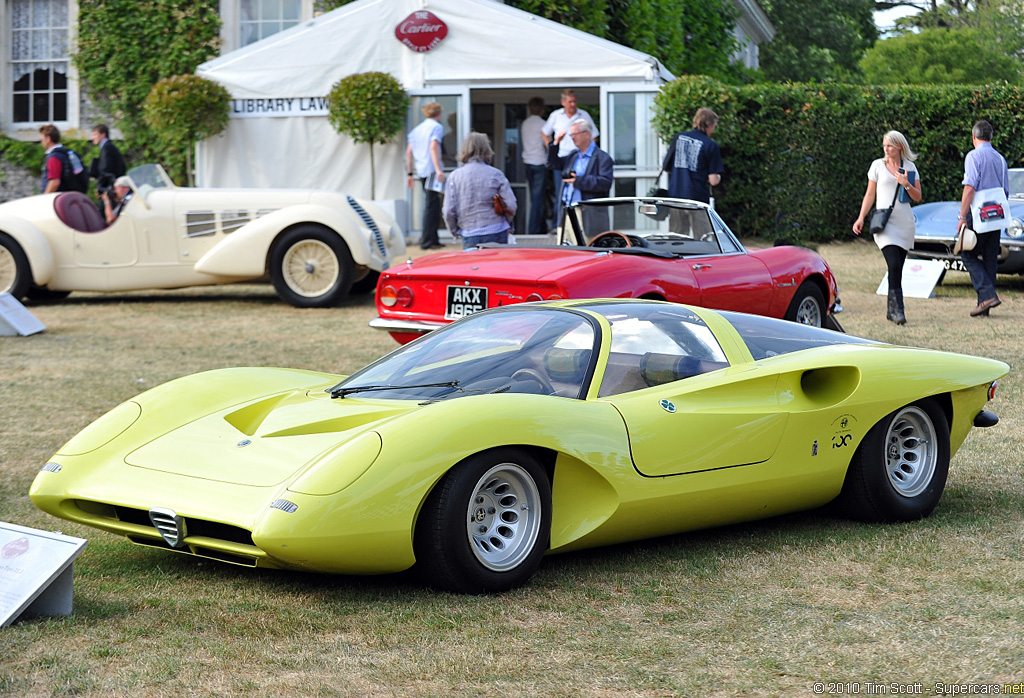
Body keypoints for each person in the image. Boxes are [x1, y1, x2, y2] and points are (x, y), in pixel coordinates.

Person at [852, 130, 922, 325]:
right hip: (885, 223)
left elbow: (917, 196)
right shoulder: (877, 166)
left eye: (890, 145)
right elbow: (869, 195)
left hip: (904, 223)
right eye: (884, 145)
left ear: (899, 146)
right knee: (893, 264)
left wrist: (906, 183)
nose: (886, 149)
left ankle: (891, 310)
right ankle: (898, 310)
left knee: (898, 267)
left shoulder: (910, 167)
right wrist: (861, 218)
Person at [957, 119, 1009, 317]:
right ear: (991, 137)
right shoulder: (1000, 158)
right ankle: (984, 305)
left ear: (973, 136)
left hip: (979, 212)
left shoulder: (973, 156)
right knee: (989, 258)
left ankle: (987, 295)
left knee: (967, 254)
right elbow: (1005, 190)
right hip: (997, 213)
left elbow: (970, 187)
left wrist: (962, 216)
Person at [443, 132, 517, 249]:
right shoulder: (496, 174)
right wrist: (507, 223)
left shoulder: (454, 177)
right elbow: (511, 205)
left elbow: (448, 211)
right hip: (497, 230)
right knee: (497, 267)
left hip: (470, 233)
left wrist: (455, 231)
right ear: (486, 149)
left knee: (473, 267)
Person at [547, 118, 614, 235]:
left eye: (575, 134)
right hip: (567, 212)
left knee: (586, 251)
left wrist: (578, 181)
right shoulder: (573, 155)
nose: (572, 137)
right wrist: (556, 143)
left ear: (586, 134)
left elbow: (605, 183)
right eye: (571, 134)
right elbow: (552, 164)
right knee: (565, 251)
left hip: (588, 216)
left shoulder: (602, 158)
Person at [542, 89, 599, 224]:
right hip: (562, 160)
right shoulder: (556, 115)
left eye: (575, 101)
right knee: (561, 194)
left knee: (581, 192)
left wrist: (587, 151)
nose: (573, 104)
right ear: (563, 103)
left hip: (580, 159)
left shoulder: (583, 115)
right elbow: (544, 132)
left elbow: (594, 136)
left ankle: (580, 223)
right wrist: (552, 148)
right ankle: (559, 225)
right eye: (570, 102)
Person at [661, 107, 723, 205]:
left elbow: (666, 167)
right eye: (714, 125)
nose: (714, 129)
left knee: (677, 221)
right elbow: (713, 180)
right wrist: (717, 177)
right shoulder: (710, 145)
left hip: (676, 198)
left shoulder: (678, 138)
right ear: (709, 125)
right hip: (697, 200)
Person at [406, 102, 446, 250]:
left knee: (432, 204)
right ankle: (427, 241)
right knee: (432, 206)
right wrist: (438, 169)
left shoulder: (416, 130)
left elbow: (408, 152)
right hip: (431, 171)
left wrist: (410, 173)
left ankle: (432, 239)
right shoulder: (436, 127)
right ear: (438, 114)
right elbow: (433, 146)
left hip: (421, 170)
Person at [521, 96, 548, 236]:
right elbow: (546, 144)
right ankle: (533, 231)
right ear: (541, 109)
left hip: (527, 162)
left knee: (534, 197)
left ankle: (541, 227)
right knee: (538, 198)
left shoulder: (525, 123)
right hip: (539, 162)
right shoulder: (543, 124)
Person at [38, 124, 86, 194]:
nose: (41, 142)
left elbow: (54, 182)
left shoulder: (54, 157)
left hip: (56, 198)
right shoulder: (65, 153)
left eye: (42, 139)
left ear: (48, 139)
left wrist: (44, 198)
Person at [89, 124, 127, 194]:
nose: (93, 138)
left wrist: (101, 187)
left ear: (103, 135)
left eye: (95, 135)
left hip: (111, 189)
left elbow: (105, 169)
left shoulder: (107, 149)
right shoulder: (108, 147)